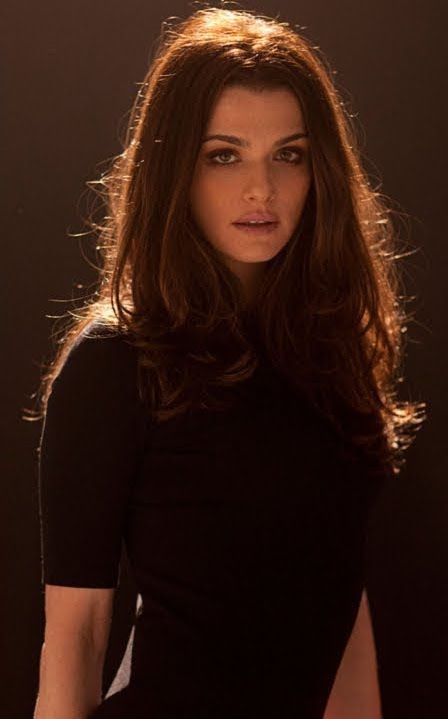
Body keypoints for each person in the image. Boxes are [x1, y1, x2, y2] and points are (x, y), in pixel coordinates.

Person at [31, 5, 426, 719]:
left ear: (320, 169)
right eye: (224, 154)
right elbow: (76, 641)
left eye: (289, 154)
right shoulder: (115, 363)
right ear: (174, 168)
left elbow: (343, 609)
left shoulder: (331, 352)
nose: (260, 190)